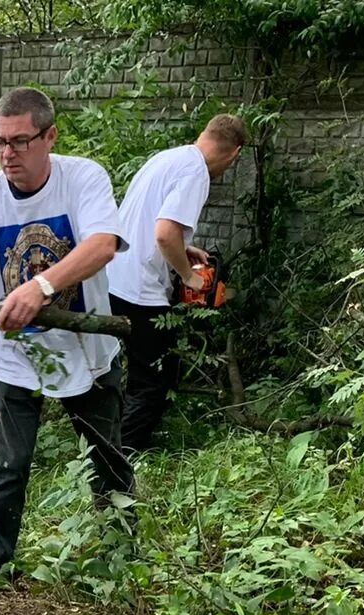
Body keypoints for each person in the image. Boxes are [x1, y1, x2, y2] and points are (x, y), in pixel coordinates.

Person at [0, 86, 132, 577]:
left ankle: (120, 557)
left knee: (106, 455)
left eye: (20, 141)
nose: (7, 154)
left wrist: (42, 286)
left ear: (50, 136)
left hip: (88, 344)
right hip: (15, 356)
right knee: (10, 464)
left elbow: (103, 243)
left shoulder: (82, 179)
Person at [107, 114, 248, 452]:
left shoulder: (169, 157)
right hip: (140, 290)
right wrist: (189, 276)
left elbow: (146, 221)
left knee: (118, 372)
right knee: (155, 380)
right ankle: (121, 461)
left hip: (113, 277)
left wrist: (183, 248)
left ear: (205, 134)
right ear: (235, 154)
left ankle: (105, 447)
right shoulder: (195, 173)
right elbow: (163, 232)